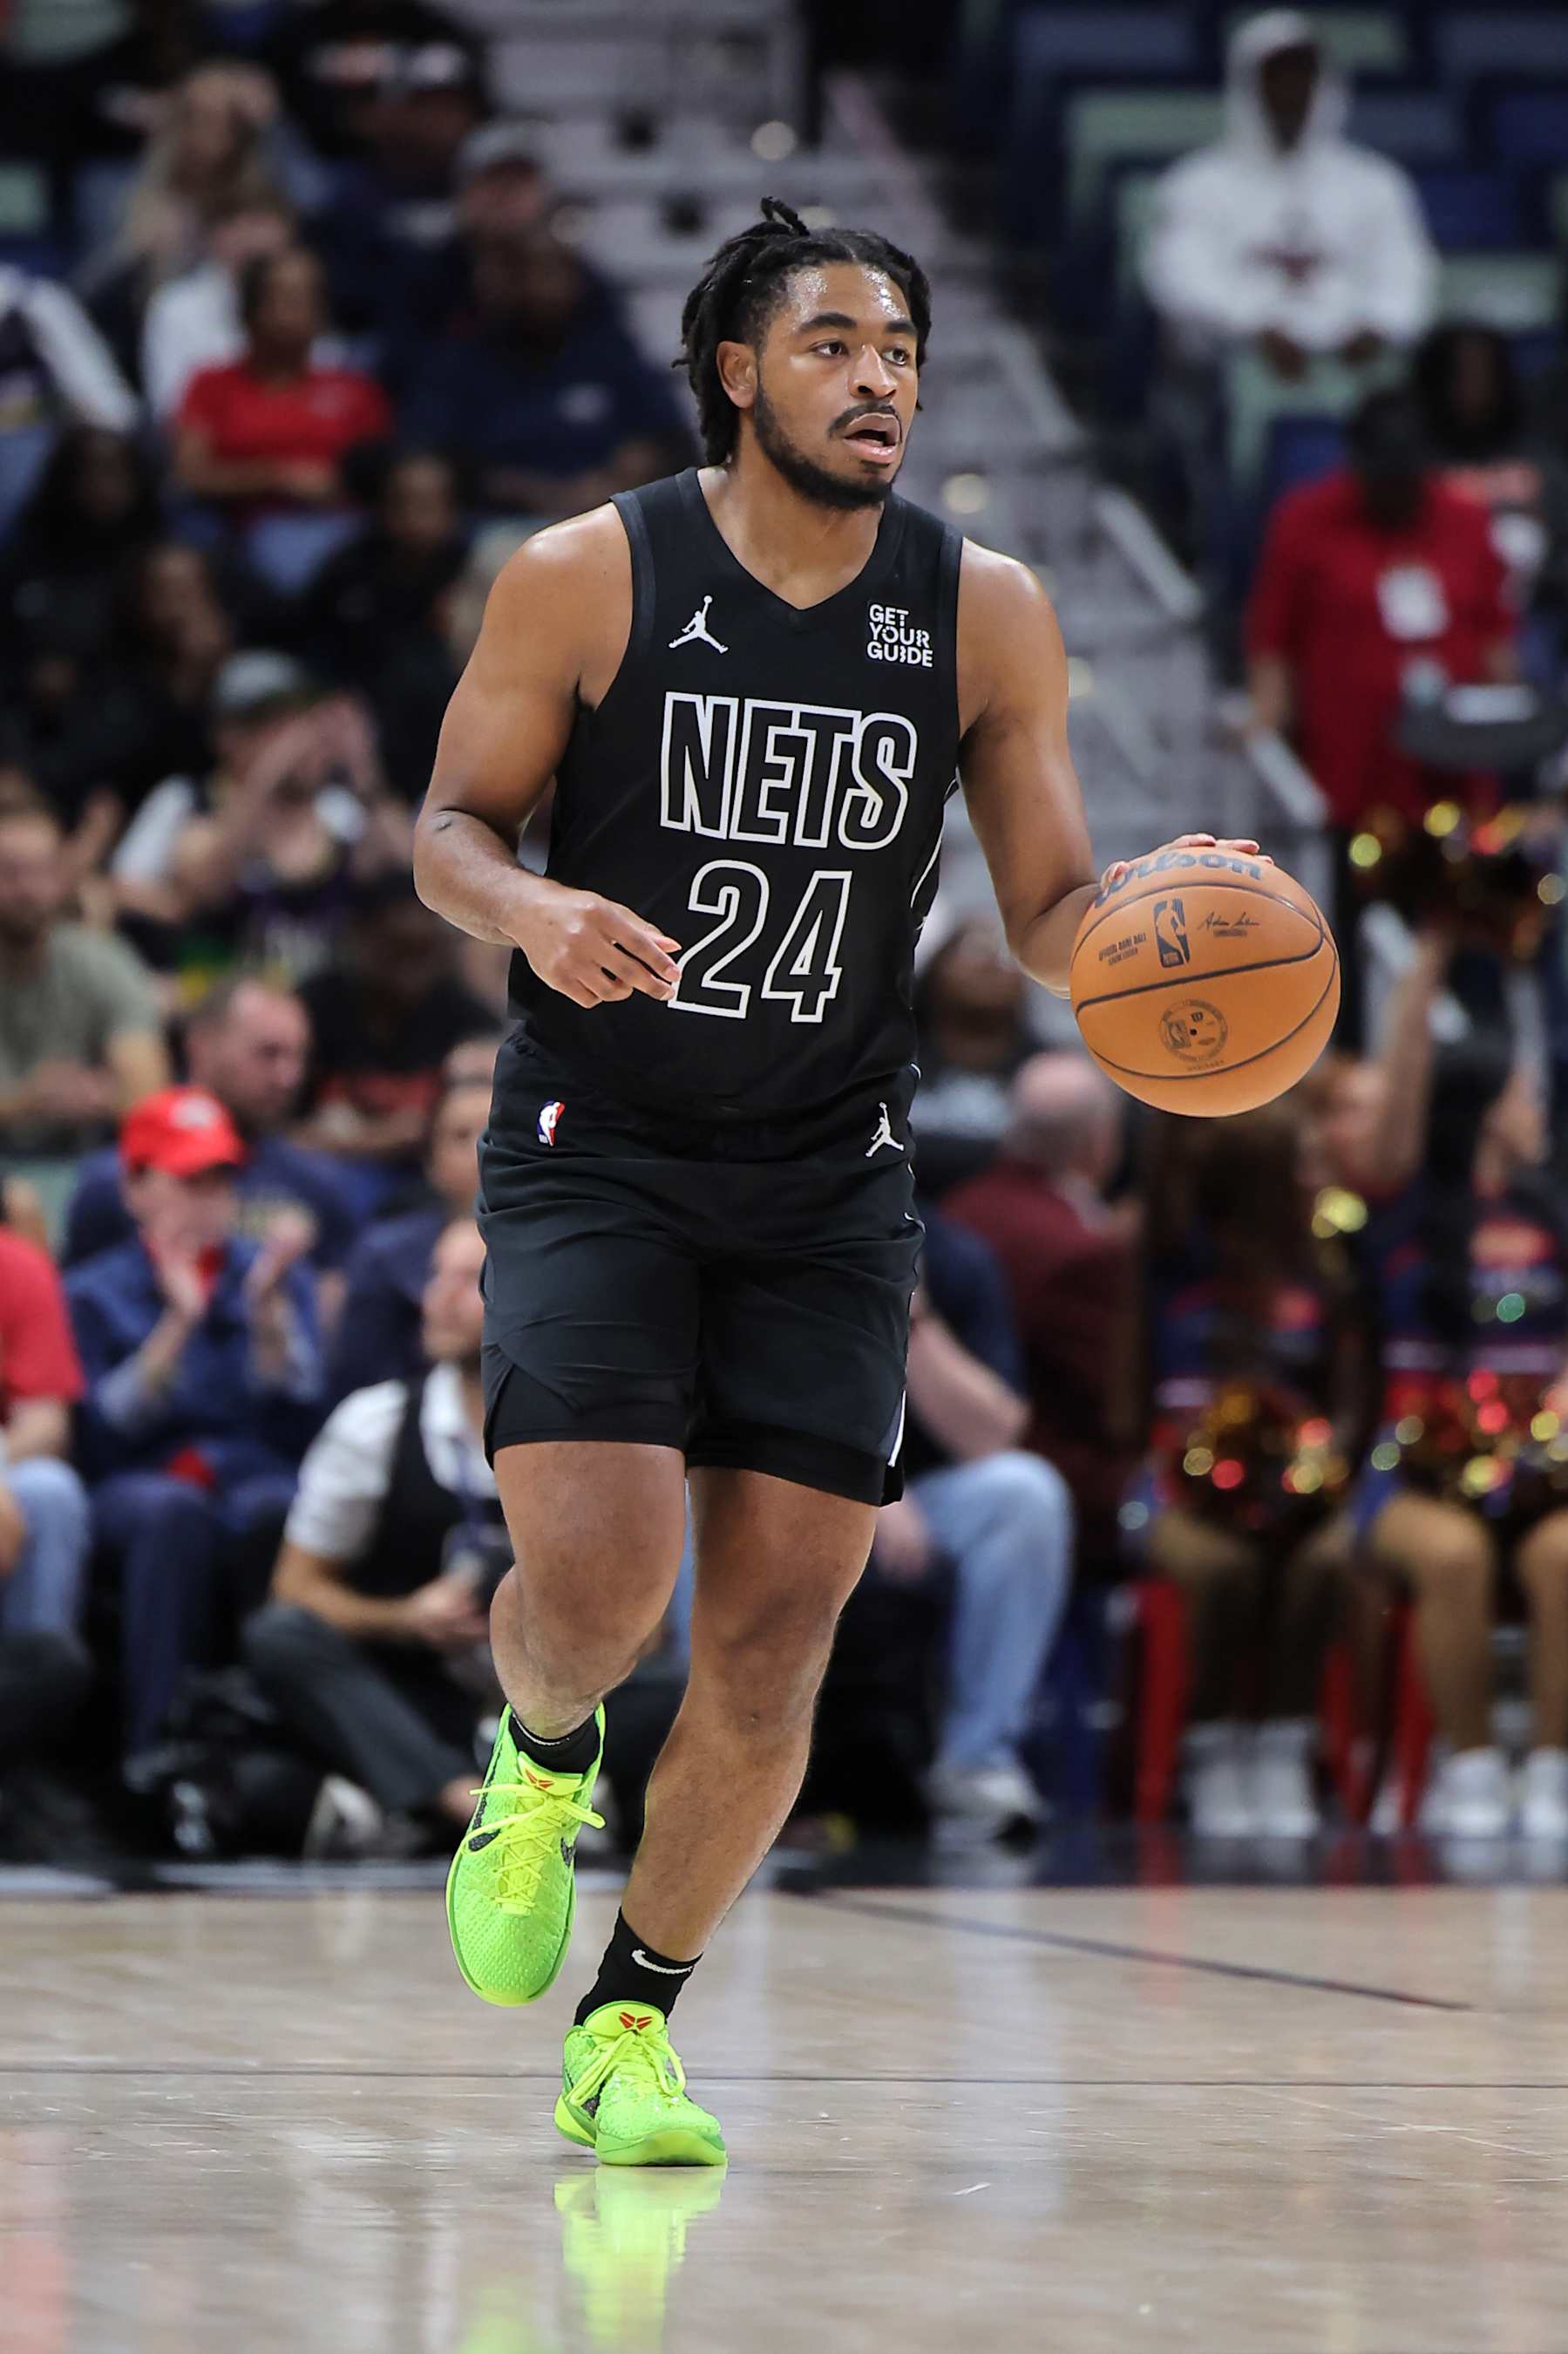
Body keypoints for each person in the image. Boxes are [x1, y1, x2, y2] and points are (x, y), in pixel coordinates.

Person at [412, 194, 1263, 2166]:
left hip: (828, 1167)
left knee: (782, 1625)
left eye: (900, 350)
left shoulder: (986, 608)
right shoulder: (588, 573)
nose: (878, 378)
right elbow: (448, 824)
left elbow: (1045, 913)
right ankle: (539, 1753)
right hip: (599, 1143)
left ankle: (631, 2022)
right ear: (737, 372)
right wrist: (533, 905)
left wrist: (1142, 928)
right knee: (606, 1580)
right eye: (834, 345)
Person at [1332, 937, 1568, 1839]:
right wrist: (1426, 963)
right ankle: (1465, 1769)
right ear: (1472, 1101)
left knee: (1559, 1557)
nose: (1531, 1102)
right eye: (1516, 1088)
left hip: (1533, 1468)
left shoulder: (1547, 1212)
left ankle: (1548, 1769)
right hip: (1412, 1470)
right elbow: (1396, 1107)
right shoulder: (1399, 1206)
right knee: (1453, 1557)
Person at [1125, 1105, 1368, 1838]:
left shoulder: (1321, 1269)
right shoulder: (1173, 1256)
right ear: (1258, 1176)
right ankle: (1210, 1746)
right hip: (1171, 1488)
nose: (1316, 1179)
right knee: (1222, 1571)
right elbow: (1164, 1163)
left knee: (1324, 1564)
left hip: (1295, 1492)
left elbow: (1347, 1400)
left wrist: (1316, 1471)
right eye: (1301, 1163)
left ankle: (1283, 1744)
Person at [67, 1085, 324, 1754]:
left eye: (219, 1179)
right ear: (135, 1189)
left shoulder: (268, 1276)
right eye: (187, 1180)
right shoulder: (94, 1289)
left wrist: (270, 1324)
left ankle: (281, 1744)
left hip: (249, 1471)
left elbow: (302, 1414)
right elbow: (99, 1430)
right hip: (139, 1479)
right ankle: (154, 1744)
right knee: (171, 1514)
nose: (208, 1198)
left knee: (280, 1507)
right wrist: (176, 1324)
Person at [246, 1217, 499, 1846]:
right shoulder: (375, 1422)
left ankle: (399, 1802)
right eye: (436, 1275)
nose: (435, 1297)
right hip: (417, 1690)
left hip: (551, 1695)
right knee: (281, 1637)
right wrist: (405, 1618)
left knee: (677, 1682)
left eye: (467, 1281)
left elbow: (647, 1633)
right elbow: (295, 1588)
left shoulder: (586, 1442)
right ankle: (458, 1799)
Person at [865, 1211, 1072, 1841]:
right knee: (686, 1491)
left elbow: (992, 1432)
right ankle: (675, 1757)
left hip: (927, 1497)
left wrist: (910, 1312)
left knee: (1025, 1493)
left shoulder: (950, 1253)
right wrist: (864, 1493)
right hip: (778, 1485)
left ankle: (976, 1763)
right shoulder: (750, 1235)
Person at [1142, 10, 1434, 381]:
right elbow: (1179, 278)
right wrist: (1254, 329)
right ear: (1248, 84)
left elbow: (1405, 270)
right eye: (1276, 77)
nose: (1291, 91)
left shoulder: (1376, 181)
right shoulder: (1197, 182)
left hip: (1352, 370)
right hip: (1231, 370)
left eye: (1303, 76)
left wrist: (1379, 324)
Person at [945, 1052, 1137, 1572]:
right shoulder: (1081, 1251)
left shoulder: (958, 1209)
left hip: (943, 1459)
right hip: (1053, 1485)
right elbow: (1114, 1405)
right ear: (1097, 1143)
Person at [63, 973, 358, 1304]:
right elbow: (80, 1310)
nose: (288, 1077)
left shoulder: (317, 1182)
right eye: (268, 1053)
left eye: (299, 1057)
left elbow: (335, 1318)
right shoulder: (114, 1181)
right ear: (200, 1046)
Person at [397, 216, 687, 520]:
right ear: (505, 280)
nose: (545, 287)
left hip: (602, 515)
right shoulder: (461, 360)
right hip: (497, 523)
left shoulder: (610, 352)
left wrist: (635, 466)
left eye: (556, 272)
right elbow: (429, 448)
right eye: (531, 271)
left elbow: (672, 441)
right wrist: (526, 489)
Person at [0, 796, 170, 1194]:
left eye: (39, 872)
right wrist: (26, 1105)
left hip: (87, 1166)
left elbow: (149, 1092)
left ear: (60, 879)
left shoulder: (101, 960)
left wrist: (98, 1097)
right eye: (8, 873)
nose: (26, 890)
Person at [295, 869, 494, 1187]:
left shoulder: (466, 1018)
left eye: (423, 951)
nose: (410, 972)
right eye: (398, 949)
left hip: (429, 1190)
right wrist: (377, 1138)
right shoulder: (315, 1011)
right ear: (361, 937)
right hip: (320, 1180)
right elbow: (280, 1131)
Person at [289, 447, 467, 799]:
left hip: (450, 715)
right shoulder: (348, 570)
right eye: (405, 501)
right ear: (385, 507)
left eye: (430, 502)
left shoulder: (472, 570)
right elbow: (307, 643)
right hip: (357, 718)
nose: (416, 515)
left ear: (453, 509)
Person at [173, 247, 392, 518]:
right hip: (235, 535)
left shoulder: (356, 389)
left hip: (342, 528)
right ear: (251, 308)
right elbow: (190, 475)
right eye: (286, 296)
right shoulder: (211, 385)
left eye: (309, 298)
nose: (298, 310)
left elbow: (383, 478)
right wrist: (278, 478)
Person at [324, 1071, 492, 1399]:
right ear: (432, 1163)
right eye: (460, 1136)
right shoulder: (384, 1257)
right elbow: (359, 1379)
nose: (481, 1150)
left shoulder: (556, 1249)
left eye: (495, 1133)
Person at [0, 1221, 91, 1664]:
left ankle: (33, 1691)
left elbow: (46, 1422)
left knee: (48, 1491)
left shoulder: (13, 1264)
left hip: (4, 1466)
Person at [139, 188, 302, 422]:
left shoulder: (304, 298)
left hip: (297, 435)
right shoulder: (175, 305)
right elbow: (171, 408)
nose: (250, 237)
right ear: (214, 234)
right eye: (235, 221)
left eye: (260, 220)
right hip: (212, 445)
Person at [907, 916, 1035, 1196]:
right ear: (937, 967)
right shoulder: (891, 1062)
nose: (990, 962)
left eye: (1004, 953)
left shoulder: (1049, 1076)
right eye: (974, 949)